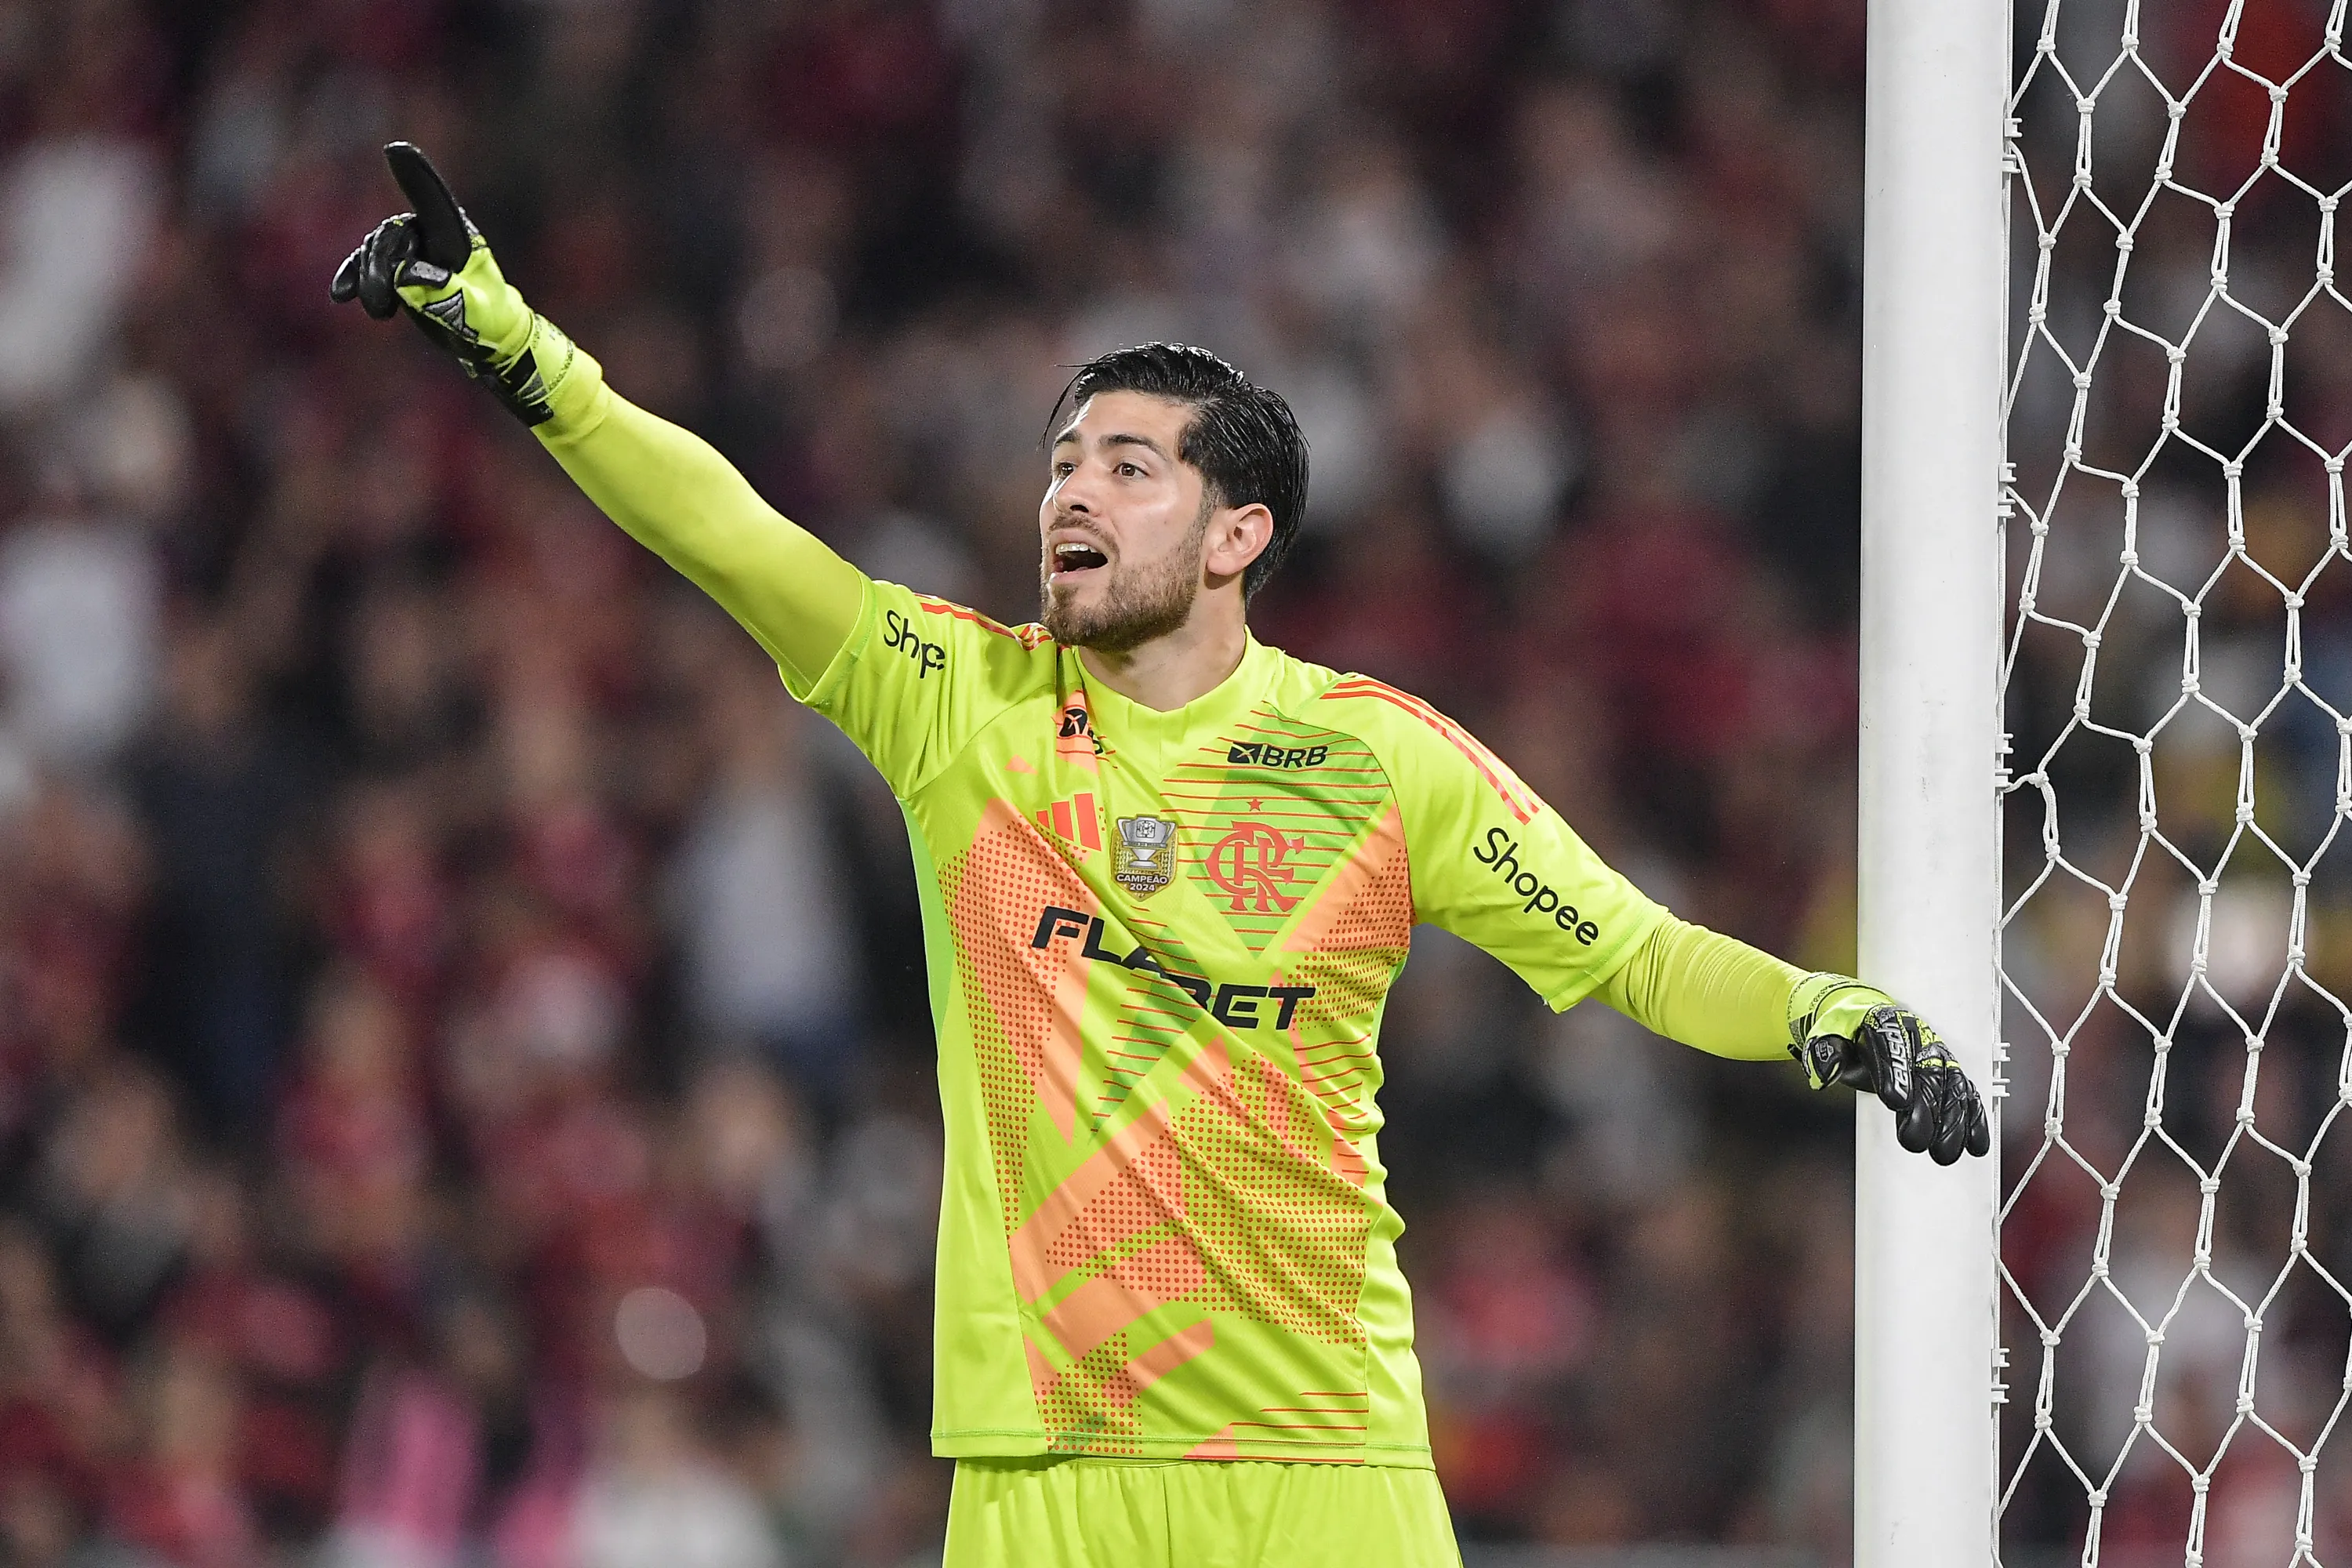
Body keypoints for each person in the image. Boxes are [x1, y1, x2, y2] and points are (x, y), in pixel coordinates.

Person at [332, 144, 1988, 1568]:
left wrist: (1820, 1013)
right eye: (1063, 463)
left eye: (1129, 467)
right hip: (1048, 1462)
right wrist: (518, 345)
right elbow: (733, 535)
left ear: (1235, 534)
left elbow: (1630, 948)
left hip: (1325, 1454)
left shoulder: (1375, 758)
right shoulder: (960, 707)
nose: (1075, 492)